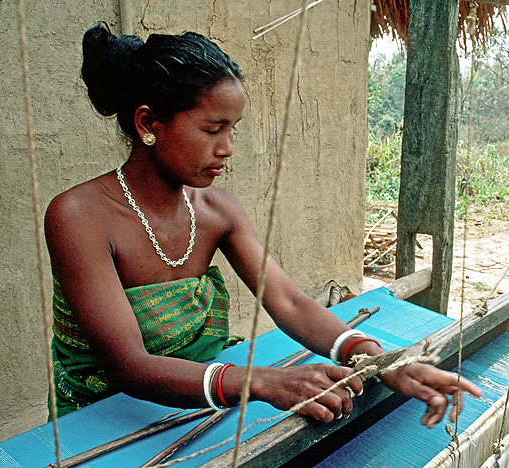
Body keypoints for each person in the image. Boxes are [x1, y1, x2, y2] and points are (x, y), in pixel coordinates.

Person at [45, 23, 482, 428]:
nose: (228, 148)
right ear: (147, 123)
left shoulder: (218, 211)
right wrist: (263, 382)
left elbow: (289, 302)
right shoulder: (79, 216)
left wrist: (380, 360)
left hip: (200, 407)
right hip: (102, 422)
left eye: (233, 129)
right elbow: (131, 366)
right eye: (213, 129)